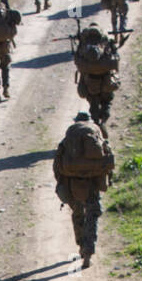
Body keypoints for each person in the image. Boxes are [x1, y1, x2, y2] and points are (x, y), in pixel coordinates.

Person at [53, 112, 114, 268]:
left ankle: (80, 245)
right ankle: (88, 251)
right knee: (92, 215)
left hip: (73, 183)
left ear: (76, 121)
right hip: (92, 182)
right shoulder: (95, 131)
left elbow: (58, 164)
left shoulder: (69, 136)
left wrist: (61, 182)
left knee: (78, 213)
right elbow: (106, 157)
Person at [73, 23, 121, 133]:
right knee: (107, 101)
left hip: (90, 80)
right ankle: (103, 120)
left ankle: (96, 124)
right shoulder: (105, 41)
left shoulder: (84, 44)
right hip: (106, 79)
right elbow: (115, 56)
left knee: (93, 103)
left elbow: (77, 58)